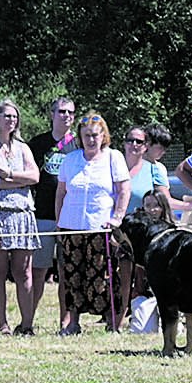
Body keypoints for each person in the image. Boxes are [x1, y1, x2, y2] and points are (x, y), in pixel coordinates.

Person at [53, 111, 129, 333]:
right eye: (86, 135)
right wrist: (59, 222)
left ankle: (112, 324)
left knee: (103, 274)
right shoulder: (71, 159)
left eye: (95, 135)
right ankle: (72, 323)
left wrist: (117, 218)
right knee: (72, 274)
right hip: (71, 226)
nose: (91, 139)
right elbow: (61, 193)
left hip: (101, 226)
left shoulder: (113, 157)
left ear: (103, 135)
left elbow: (124, 189)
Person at [0, 101, 42, 333]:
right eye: (6, 115)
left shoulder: (23, 147)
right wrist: (19, 180)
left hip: (23, 214)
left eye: (15, 116)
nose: (11, 120)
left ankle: (27, 324)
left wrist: (9, 175)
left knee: (24, 271)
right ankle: (3, 324)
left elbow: (35, 176)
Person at [119, 124, 171, 329]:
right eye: (130, 140)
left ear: (146, 146)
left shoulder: (155, 169)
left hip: (146, 235)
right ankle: (116, 320)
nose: (134, 145)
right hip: (119, 232)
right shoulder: (114, 164)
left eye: (139, 142)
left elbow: (164, 200)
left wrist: (189, 205)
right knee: (120, 279)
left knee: (143, 278)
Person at [29, 95, 77, 286]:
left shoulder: (80, 145)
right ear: (52, 114)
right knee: (38, 271)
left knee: (67, 272)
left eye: (70, 112)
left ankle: (66, 317)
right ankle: (29, 316)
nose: (66, 116)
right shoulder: (37, 143)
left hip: (71, 216)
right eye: (62, 111)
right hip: (43, 215)